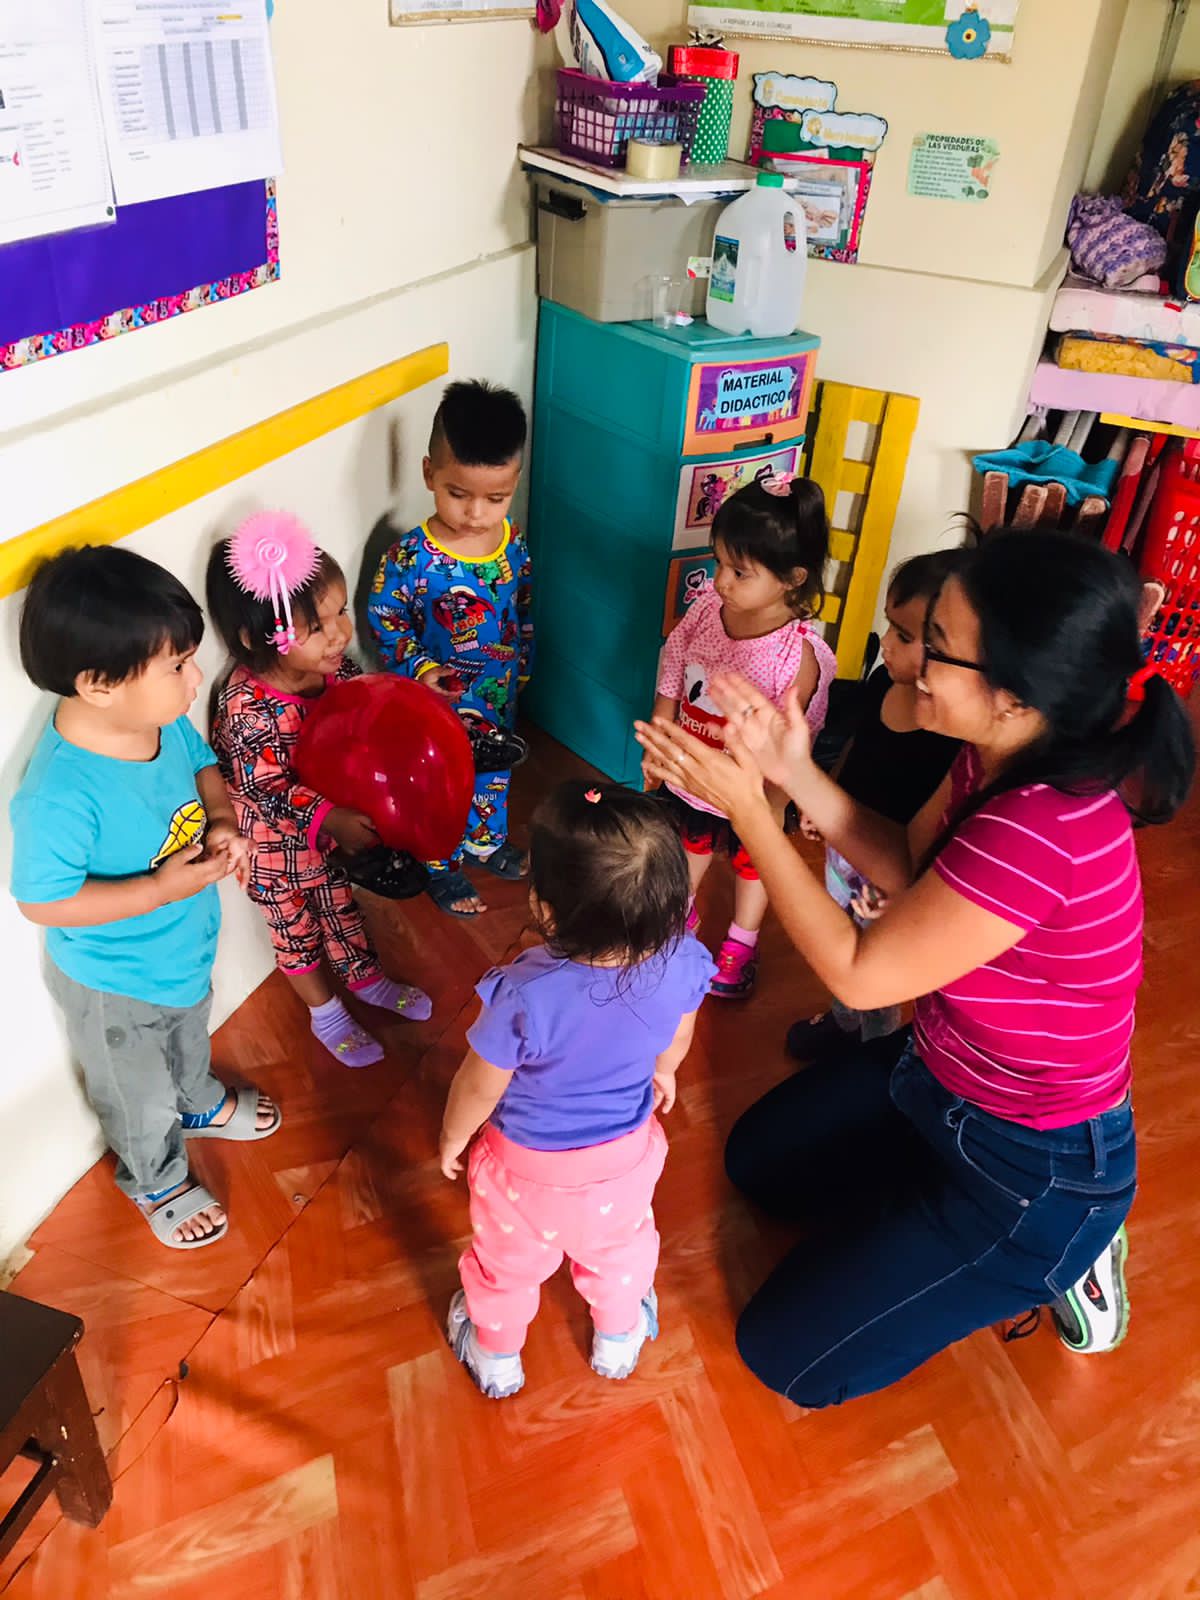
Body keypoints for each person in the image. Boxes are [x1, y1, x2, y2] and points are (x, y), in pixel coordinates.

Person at [635, 529, 1194, 1402]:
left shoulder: (1045, 830)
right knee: (757, 1164)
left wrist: (753, 811)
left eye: (938, 649)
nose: (914, 666)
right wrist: (792, 771)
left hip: (1033, 1164)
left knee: (787, 1356)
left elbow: (860, 974)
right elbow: (905, 860)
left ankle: (1070, 1253)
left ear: (1015, 695)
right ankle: (925, 1212)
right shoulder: (995, 753)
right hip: (938, 1071)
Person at [10, 546, 282, 1250]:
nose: (197, 678)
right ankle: (155, 1176)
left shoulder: (158, 724)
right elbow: (43, 903)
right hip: (115, 984)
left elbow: (203, 767)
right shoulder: (60, 794)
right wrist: (161, 887)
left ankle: (197, 1102)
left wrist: (222, 822)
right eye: (178, 666)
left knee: (191, 1032)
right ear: (99, 684)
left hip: (180, 950)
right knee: (137, 1094)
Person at [438, 781, 715, 1399]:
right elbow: (680, 1029)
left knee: (506, 1267)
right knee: (621, 1253)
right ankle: (618, 1339)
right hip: (626, 1162)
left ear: (546, 909)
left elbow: (479, 1085)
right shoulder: (686, 961)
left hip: (523, 1177)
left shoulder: (522, 994)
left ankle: (496, 1358)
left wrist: (454, 1136)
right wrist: (666, 1069)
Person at [207, 513, 432, 1071]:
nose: (339, 634)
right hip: (273, 852)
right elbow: (265, 788)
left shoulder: (334, 671)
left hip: (330, 839)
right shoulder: (245, 706)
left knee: (343, 910)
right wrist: (328, 817)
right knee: (296, 933)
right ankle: (325, 1013)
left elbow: (364, 711)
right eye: (316, 626)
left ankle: (366, 979)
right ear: (255, 638)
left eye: (340, 612)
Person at [647, 472, 835, 999]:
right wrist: (662, 730)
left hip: (753, 793)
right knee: (690, 844)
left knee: (753, 866)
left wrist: (775, 804)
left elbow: (798, 740)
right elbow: (675, 656)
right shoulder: (708, 608)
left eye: (739, 572)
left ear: (792, 579)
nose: (721, 581)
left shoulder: (796, 656)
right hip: (693, 774)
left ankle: (740, 944)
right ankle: (677, 920)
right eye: (719, 563)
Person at [367, 380, 532, 918]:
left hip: (497, 695)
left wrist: (523, 667)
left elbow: (522, 607)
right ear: (428, 474)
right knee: (439, 783)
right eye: (458, 494)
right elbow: (386, 619)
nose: (476, 513)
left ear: (514, 483)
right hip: (435, 703)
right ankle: (440, 865)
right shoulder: (410, 558)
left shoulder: (512, 542)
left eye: (495, 498)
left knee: (494, 771)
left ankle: (486, 841)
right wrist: (421, 669)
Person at [790, 549, 963, 1061]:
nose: (885, 642)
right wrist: (826, 794)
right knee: (843, 932)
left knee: (873, 962)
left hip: (891, 879)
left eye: (904, 636)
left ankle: (872, 1051)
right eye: (890, 625)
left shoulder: (949, 734)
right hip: (846, 852)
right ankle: (846, 1020)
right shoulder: (884, 681)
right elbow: (858, 744)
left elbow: (936, 830)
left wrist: (906, 896)